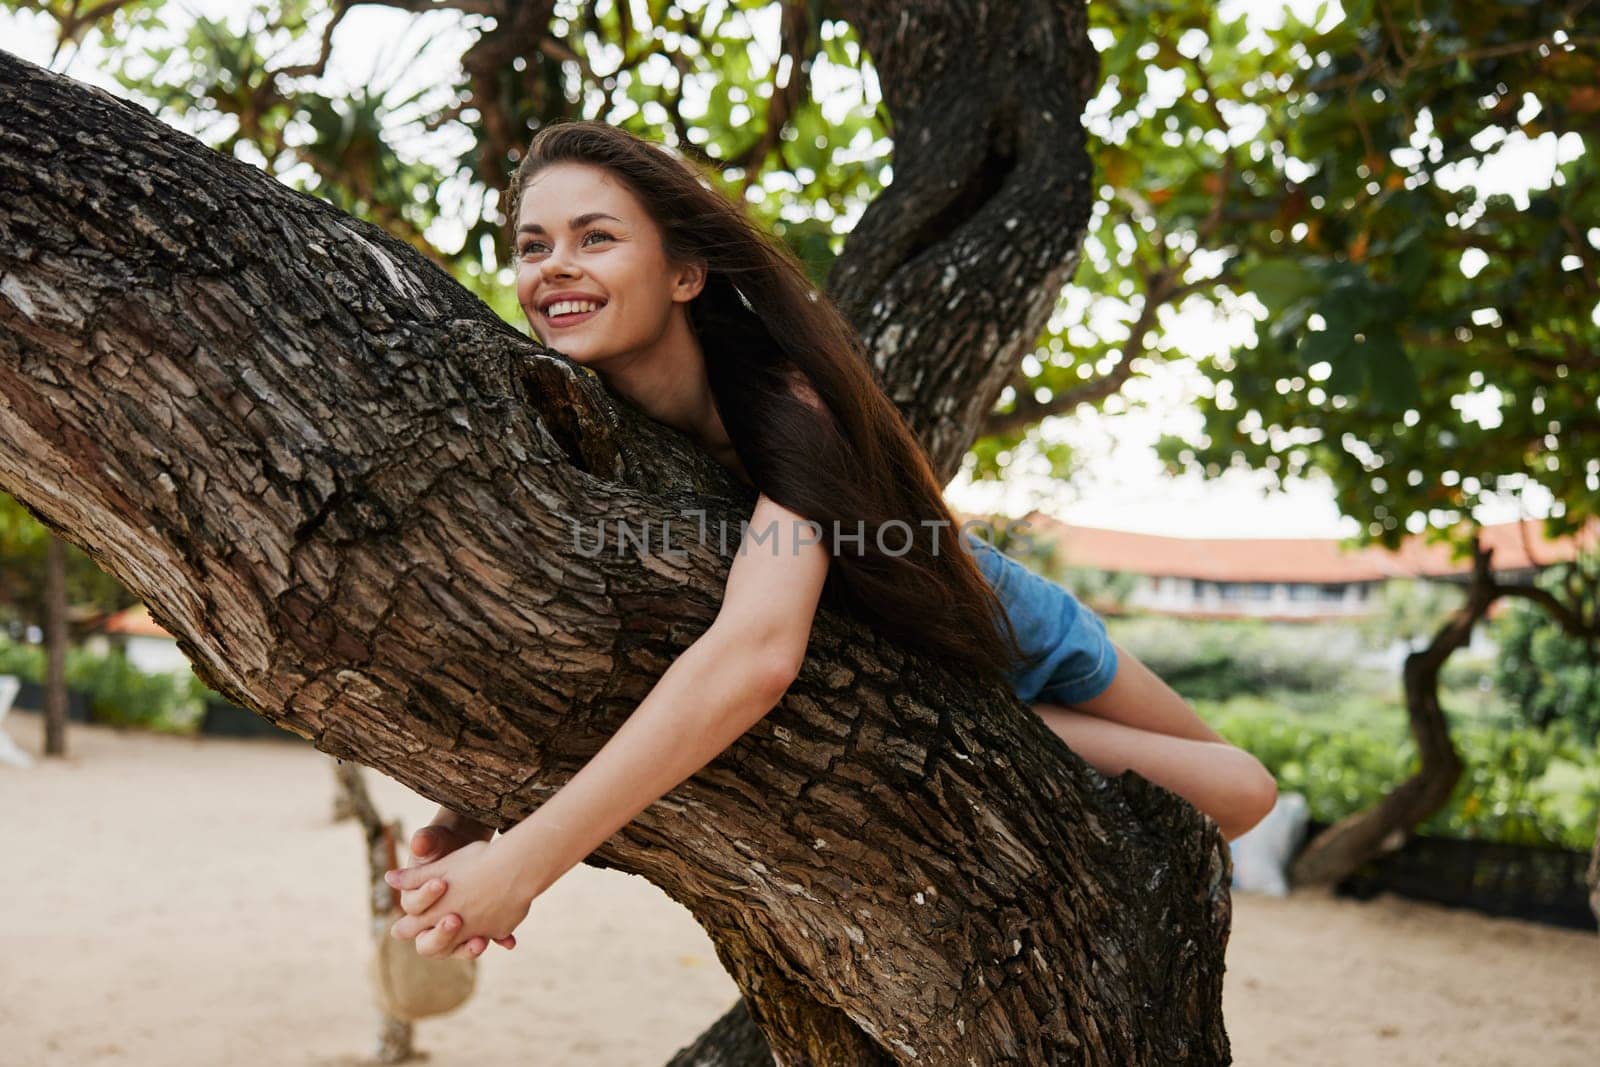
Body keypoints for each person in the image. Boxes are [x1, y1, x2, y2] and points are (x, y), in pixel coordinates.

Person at [383, 120, 1278, 961]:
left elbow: (758, 652)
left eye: (595, 237)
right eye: (533, 246)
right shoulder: (559, 421)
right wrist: (471, 811)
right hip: (904, 664)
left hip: (1000, 625)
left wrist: (524, 863)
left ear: (686, 272)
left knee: (1240, 793)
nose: (555, 268)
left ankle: (1019, 731)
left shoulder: (787, 397)